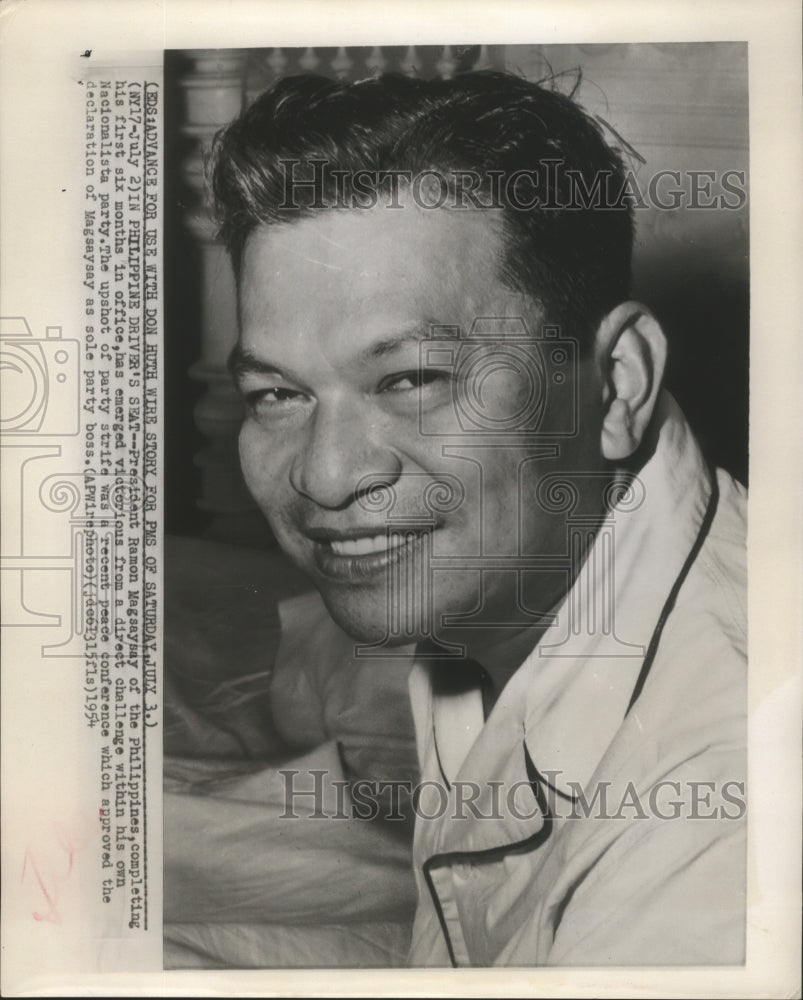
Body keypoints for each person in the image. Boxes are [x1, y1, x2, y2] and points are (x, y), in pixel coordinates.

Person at [172, 69, 746, 968]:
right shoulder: (502, 595)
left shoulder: (715, 823)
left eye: (410, 380)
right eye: (275, 393)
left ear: (617, 382)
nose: (324, 478)